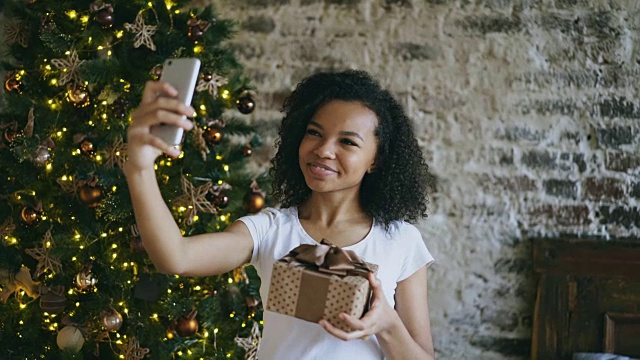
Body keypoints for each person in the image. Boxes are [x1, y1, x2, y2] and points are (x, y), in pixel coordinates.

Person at [125, 69, 436, 359]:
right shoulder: (270, 230)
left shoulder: (402, 241)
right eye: (314, 133)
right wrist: (138, 167)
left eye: (347, 141)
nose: (324, 150)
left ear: (375, 160)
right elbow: (176, 257)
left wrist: (386, 324)